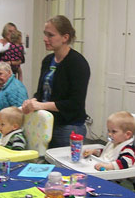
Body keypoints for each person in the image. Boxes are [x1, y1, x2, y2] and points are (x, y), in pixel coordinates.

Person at [22, 15, 90, 148]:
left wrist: (42, 106)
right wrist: (33, 101)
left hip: (68, 127)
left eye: (50, 35)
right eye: (45, 34)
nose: (45, 39)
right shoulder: (48, 60)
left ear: (65, 37)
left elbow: (74, 104)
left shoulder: (77, 63)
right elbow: (42, 93)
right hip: (47, 123)